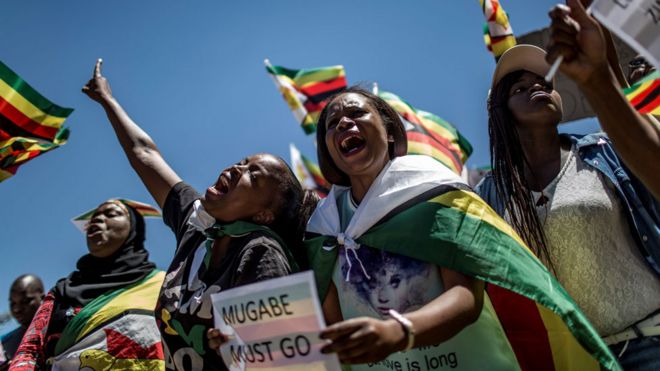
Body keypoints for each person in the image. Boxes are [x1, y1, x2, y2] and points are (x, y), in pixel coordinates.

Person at [303, 85, 617, 370]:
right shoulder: (325, 229)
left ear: (388, 131)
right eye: (333, 123)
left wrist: (398, 332)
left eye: (357, 113)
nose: (344, 123)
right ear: (328, 150)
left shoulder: (433, 191)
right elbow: (331, 330)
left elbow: (466, 296)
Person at [82, 59, 318, 371]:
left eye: (254, 176)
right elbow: (145, 154)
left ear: (264, 215)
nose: (237, 169)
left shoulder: (261, 251)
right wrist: (107, 100)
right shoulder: (197, 226)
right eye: (243, 161)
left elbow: (286, 362)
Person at [475, 0, 660, 369]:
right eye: (520, 88)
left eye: (544, 82)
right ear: (501, 116)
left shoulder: (606, 153)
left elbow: (634, 122)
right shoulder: (489, 197)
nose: (537, 88)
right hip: (574, 362)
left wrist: (599, 33)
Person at [10, 200, 166, 371]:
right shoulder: (61, 291)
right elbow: (30, 351)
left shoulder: (162, 284)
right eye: (94, 217)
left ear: (134, 229)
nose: (97, 219)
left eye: (111, 214)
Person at [0, 275, 44, 370]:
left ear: (43, 297)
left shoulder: (65, 329)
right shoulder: (4, 344)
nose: (17, 309)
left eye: (25, 301)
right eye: (13, 303)